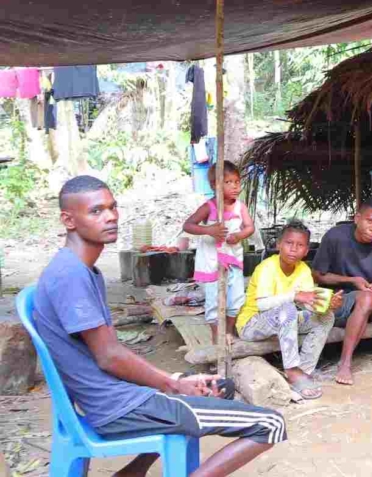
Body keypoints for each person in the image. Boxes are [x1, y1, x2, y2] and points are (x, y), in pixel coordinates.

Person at [36, 176, 284, 477]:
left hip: (117, 396)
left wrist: (175, 378)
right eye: (96, 211)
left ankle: (131, 473)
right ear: (68, 219)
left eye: (113, 208)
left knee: (220, 388)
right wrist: (172, 383)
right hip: (116, 407)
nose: (111, 216)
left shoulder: (83, 270)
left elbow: (108, 354)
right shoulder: (70, 275)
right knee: (271, 424)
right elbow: (108, 356)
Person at [236, 221, 342, 400]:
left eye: (300, 245)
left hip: (284, 320)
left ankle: (304, 371)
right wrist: (295, 296)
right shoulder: (267, 268)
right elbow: (262, 305)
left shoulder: (303, 270)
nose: (294, 249)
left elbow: (307, 303)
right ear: (278, 245)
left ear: (307, 250)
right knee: (287, 309)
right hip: (252, 324)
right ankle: (292, 370)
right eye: (289, 243)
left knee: (325, 317)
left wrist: (326, 304)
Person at [310, 198, 372, 386]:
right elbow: (317, 276)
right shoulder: (335, 236)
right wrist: (351, 280)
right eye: (370, 221)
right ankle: (345, 363)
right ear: (357, 218)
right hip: (338, 303)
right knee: (367, 298)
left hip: (369, 301)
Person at [182, 160, 254, 346]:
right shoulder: (209, 207)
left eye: (237, 181)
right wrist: (209, 230)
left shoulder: (240, 207)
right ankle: (216, 337)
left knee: (236, 298)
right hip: (212, 262)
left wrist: (239, 236)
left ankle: (229, 331)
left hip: (233, 261)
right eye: (228, 182)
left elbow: (249, 227)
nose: (234, 186)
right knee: (214, 301)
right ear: (215, 185)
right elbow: (188, 225)